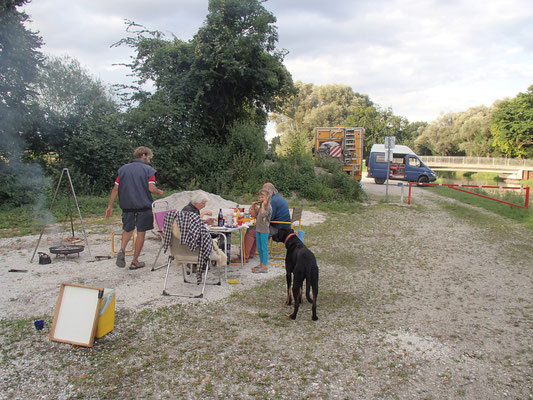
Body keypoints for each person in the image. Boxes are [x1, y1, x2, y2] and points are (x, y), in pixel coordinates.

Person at [106, 146, 163, 270]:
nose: (149, 159)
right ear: (143, 155)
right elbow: (151, 188)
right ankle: (134, 262)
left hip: (127, 206)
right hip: (143, 206)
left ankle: (122, 250)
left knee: (128, 230)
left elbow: (115, 188)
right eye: (149, 157)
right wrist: (159, 192)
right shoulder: (148, 170)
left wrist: (110, 206)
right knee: (141, 233)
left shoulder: (123, 170)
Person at [245, 182, 291, 259]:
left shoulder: (272, 201)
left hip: (278, 229)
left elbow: (267, 218)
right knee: (256, 228)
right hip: (283, 226)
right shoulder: (277, 197)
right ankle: (250, 253)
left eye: (263, 192)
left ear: (268, 192)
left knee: (251, 231)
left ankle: (244, 256)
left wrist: (256, 211)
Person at [251, 188, 272, 273]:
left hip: (264, 230)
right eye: (259, 197)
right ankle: (261, 264)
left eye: (262, 197)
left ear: (267, 198)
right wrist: (253, 207)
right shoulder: (261, 207)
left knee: (264, 248)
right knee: (259, 248)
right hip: (258, 229)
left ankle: (264, 267)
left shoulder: (268, 207)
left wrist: (263, 205)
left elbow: (263, 215)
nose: (260, 199)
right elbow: (255, 215)